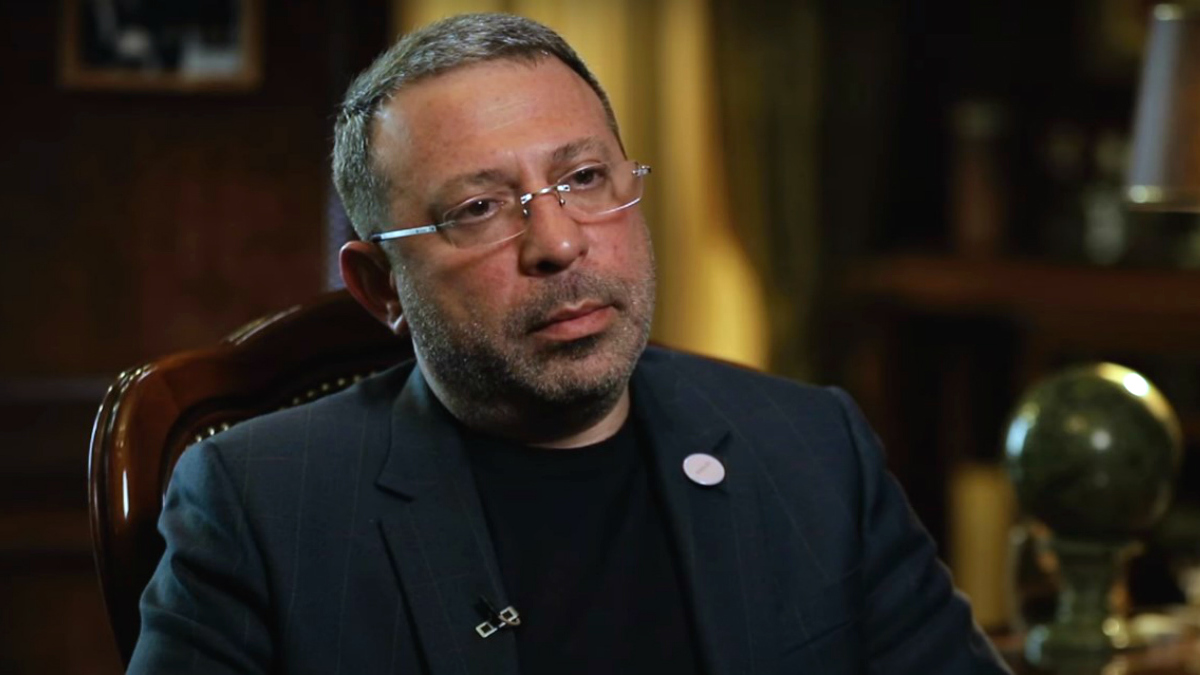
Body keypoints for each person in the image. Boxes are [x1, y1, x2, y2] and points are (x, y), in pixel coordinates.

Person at [128, 12, 1010, 675]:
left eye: (585, 177)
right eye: (479, 208)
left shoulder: (812, 447)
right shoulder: (260, 506)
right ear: (381, 286)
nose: (558, 242)